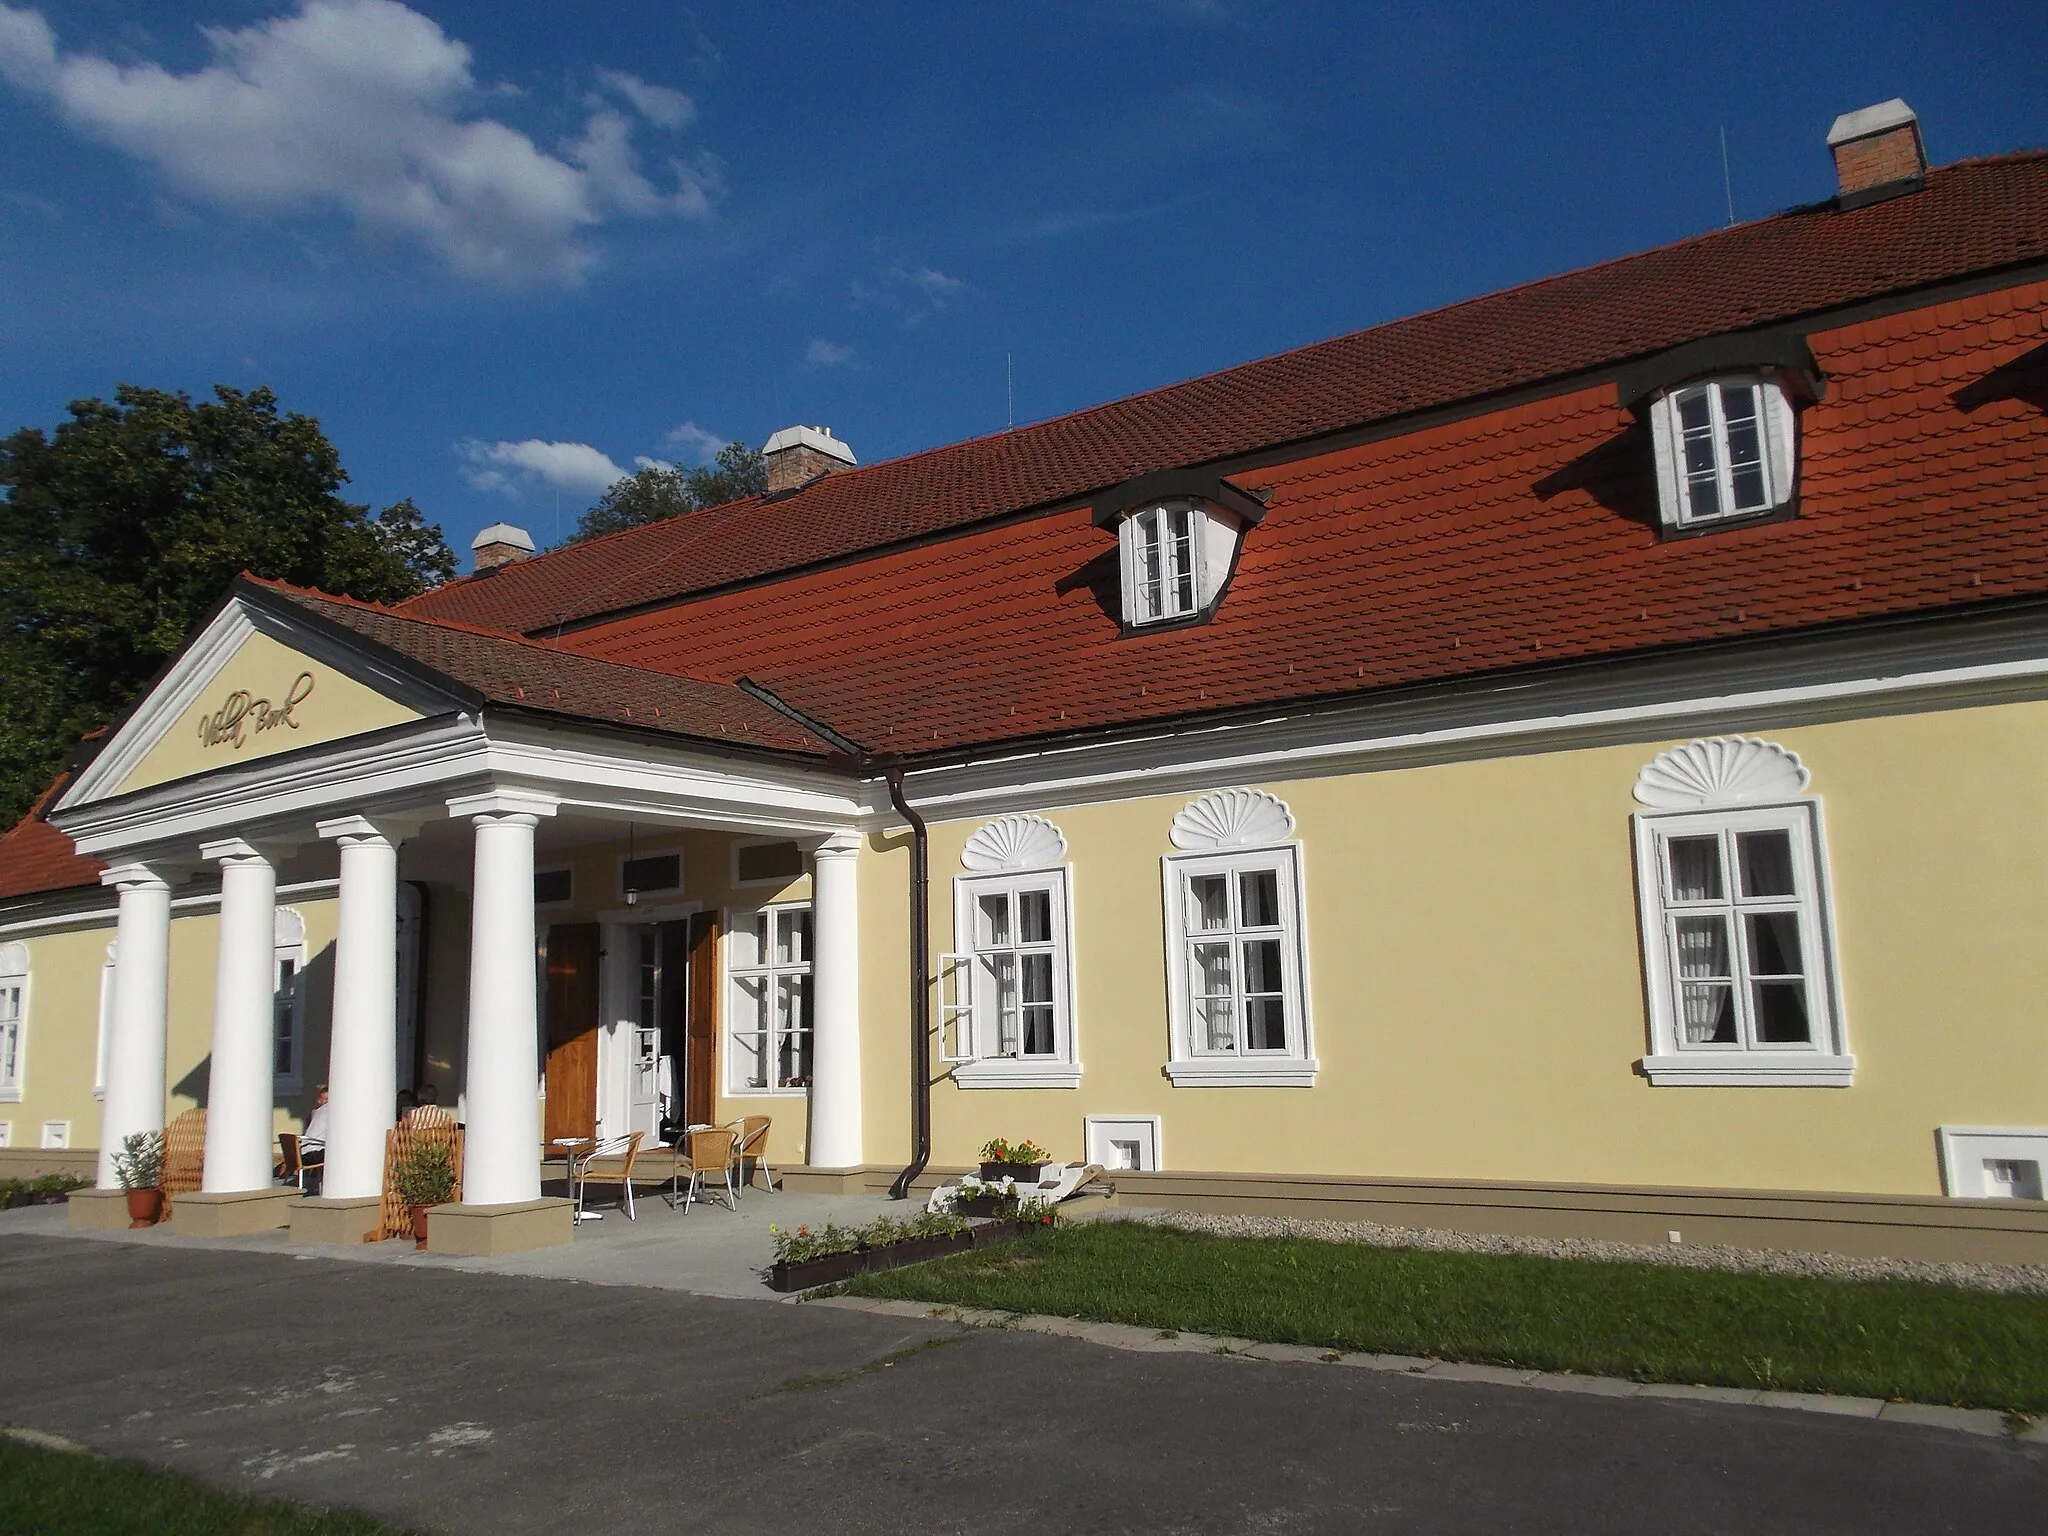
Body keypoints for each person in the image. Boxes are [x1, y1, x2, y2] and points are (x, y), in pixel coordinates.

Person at [299, 1085, 329, 1193]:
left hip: (303, 1152)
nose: (327, 1102)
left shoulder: (316, 1112)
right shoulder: (330, 1110)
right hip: (313, 1154)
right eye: (325, 1099)